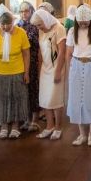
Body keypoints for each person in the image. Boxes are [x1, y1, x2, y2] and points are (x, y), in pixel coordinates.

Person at [66, 4, 91, 147]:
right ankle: (82, 134)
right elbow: (69, 53)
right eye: (80, 22)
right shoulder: (72, 31)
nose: (83, 24)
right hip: (76, 66)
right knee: (77, 100)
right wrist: (69, 71)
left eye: (86, 22)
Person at [0, 12, 30, 139]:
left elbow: (26, 54)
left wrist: (26, 72)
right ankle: (4, 126)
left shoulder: (21, 32)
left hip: (17, 71)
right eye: (3, 24)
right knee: (2, 99)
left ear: (13, 22)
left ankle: (16, 127)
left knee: (16, 99)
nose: (5, 27)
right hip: (0, 72)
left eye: (8, 24)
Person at [31, 8, 67, 140]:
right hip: (45, 68)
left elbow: (62, 52)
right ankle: (49, 126)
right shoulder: (41, 31)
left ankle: (58, 128)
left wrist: (58, 71)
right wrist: (41, 68)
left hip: (57, 67)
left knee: (56, 99)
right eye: (36, 25)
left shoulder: (59, 28)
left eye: (40, 24)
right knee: (45, 98)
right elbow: (41, 51)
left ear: (46, 20)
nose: (38, 28)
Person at [17, 2, 41, 131]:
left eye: (26, 11)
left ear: (32, 11)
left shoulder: (35, 26)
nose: (23, 14)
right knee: (23, 91)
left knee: (33, 90)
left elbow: (38, 47)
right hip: (19, 64)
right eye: (21, 11)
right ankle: (26, 119)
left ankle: (35, 120)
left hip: (32, 63)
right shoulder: (17, 26)